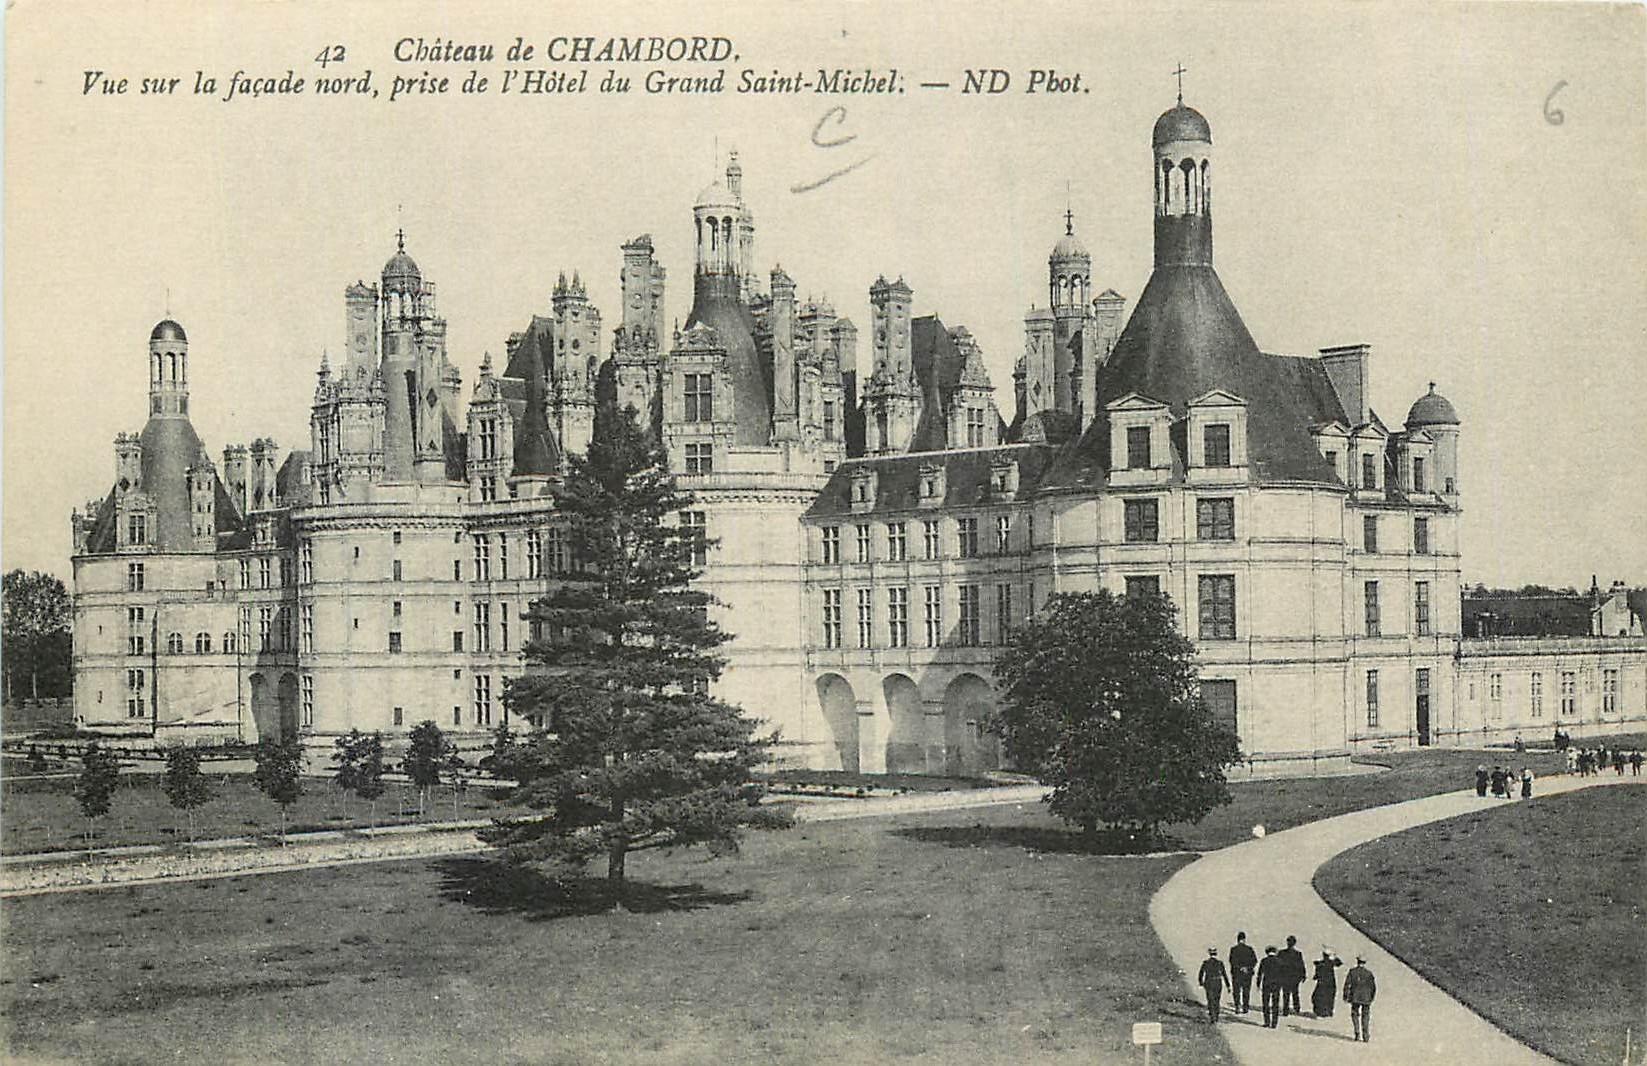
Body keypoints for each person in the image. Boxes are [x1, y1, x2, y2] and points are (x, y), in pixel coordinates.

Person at [1343, 955, 1377, 1043]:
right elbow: (1373, 987)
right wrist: (1371, 997)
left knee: (1355, 1014)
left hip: (1355, 997)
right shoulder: (1369, 973)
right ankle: (1365, 1035)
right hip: (1366, 998)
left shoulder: (1352, 972)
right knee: (1366, 1016)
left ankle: (1357, 1032)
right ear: (1365, 963)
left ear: (1357, 961)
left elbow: (1347, 984)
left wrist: (1346, 995)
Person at [1197, 947, 1229, 1024]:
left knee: (1210, 1000)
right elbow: (1224, 974)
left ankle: (1212, 1017)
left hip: (1209, 982)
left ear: (1209, 954)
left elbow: (1201, 974)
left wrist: (1201, 983)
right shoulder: (1220, 963)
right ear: (1216, 954)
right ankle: (1216, 1016)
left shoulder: (1206, 963)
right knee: (1217, 1000)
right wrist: (1228, 985)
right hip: (1217, 982)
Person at [1229, 932, 1257, 1014]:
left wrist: (1239, 968)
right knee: (1246, 991)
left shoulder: (1233, 949)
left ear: (1237, 939)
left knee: (1236, 991)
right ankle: (1245, 1007)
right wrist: (1247, 968)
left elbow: (1231, 961)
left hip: (1236, 973)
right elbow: (1254, 960)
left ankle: (1237, 1006)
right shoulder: (1249, 949)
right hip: (1247, 973)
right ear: (1244, 939)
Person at [1255, 946, 1283, 1028]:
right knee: (1275, 1004)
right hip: (1276, 984)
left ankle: (1267, 1022)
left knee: (1266, 1003)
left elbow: (1260, 973)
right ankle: (1274, 1023)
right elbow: (1283, 974)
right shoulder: (1280, 961)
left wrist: (1258, 984)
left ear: (1267, 952)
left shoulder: (1264, 961)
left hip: (1266, 983)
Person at [1278, 935, 1306, 1016]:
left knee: (1287, 994)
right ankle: (1296, 1009)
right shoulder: (1297, 954)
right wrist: (1303, 975)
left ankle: (1287, 1010)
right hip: (1293, 977)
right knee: (1294, 993)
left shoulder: (1282, 953)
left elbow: (1278, 966)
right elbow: (1301, 965)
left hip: (1286, 977)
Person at [1311, 949, 1343, 1017]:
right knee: (1329, 998)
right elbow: (1339, 963)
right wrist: (1334, 956)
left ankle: (1319, 1011)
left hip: (1322, 983)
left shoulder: (1320, 963)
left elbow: (1316, 975)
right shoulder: (1331, 963)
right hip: (1331, 984)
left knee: (1317, 997)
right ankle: (1328, 1012)